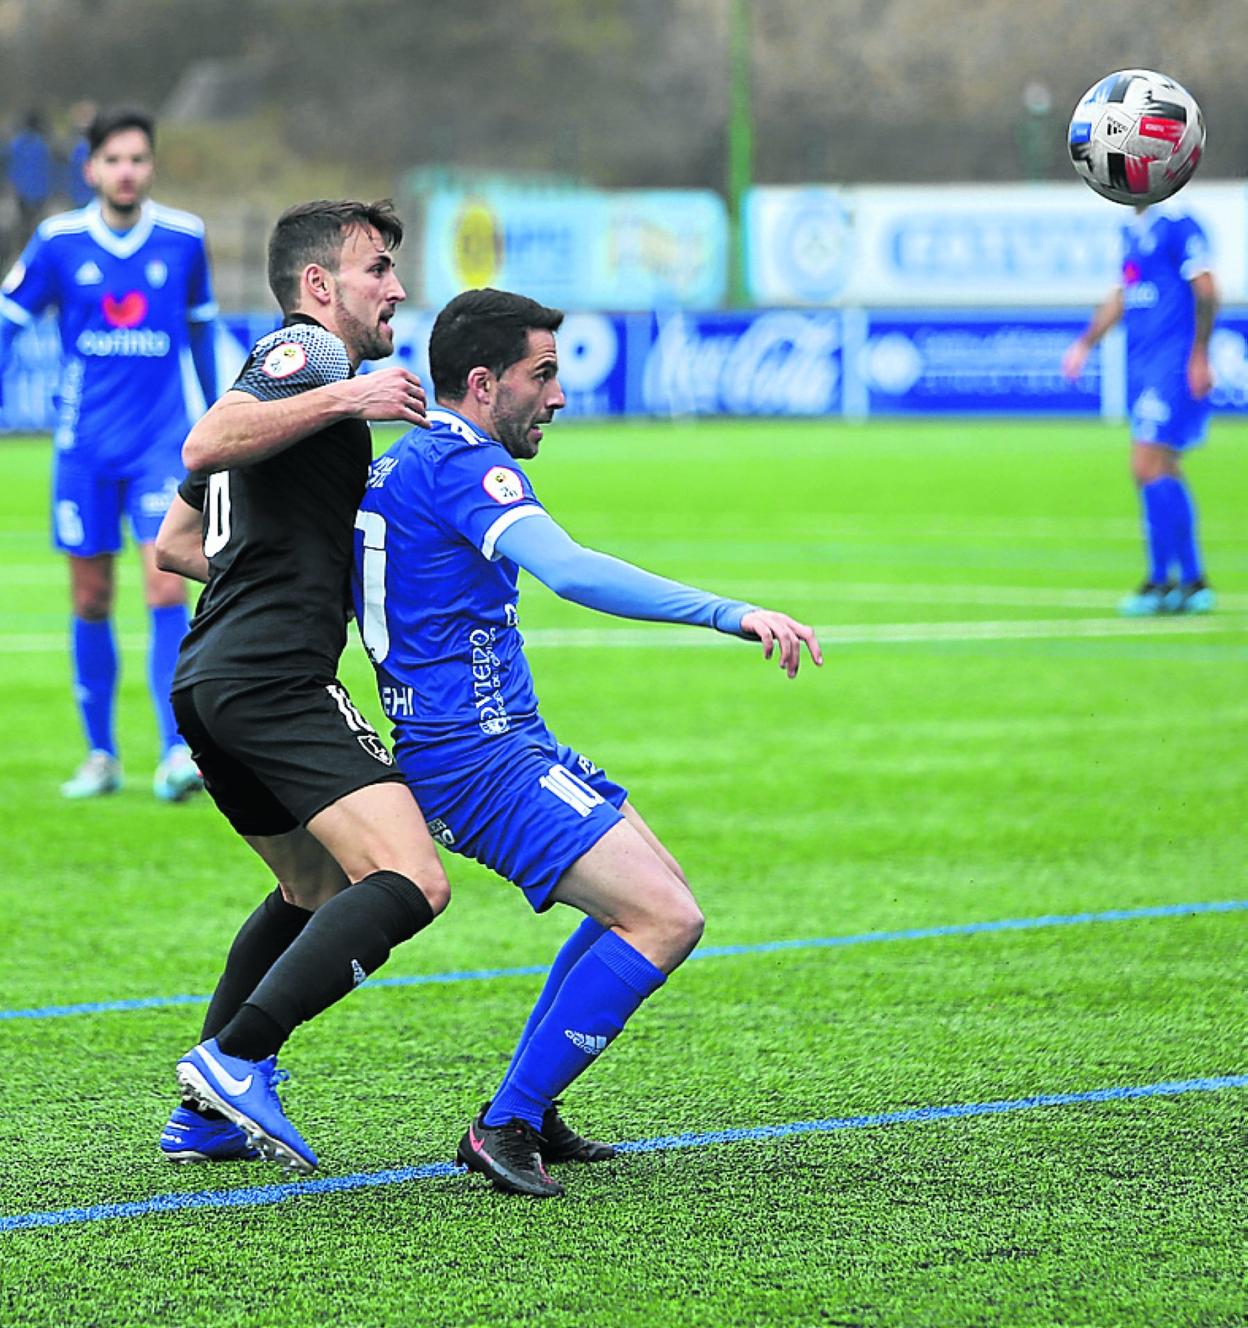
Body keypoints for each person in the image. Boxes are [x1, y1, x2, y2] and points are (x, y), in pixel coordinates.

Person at [351, 287, 823, 1198]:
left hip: (498, 740)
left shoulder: (397, 466)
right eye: (545, 375)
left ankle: (531, 1108)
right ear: (484, 384)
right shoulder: (465, 468)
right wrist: (729, 612)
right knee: (667, 919)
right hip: (476, 756)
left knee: (649, 902)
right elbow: (569, 571)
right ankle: (506, 1123)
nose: (559, 396)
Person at [152, 199, 450, 1175]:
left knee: (310, 885)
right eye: (376, 269)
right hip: (272, 677)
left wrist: (282, 575)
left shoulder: (294, 387)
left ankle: (202, 1114)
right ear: (320, 286)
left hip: (212, 676)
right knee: (408, 877)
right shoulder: (308, 357)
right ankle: (236, 1058)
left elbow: (175, 543)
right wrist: (346, 401)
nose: (396, 287)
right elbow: (205, 442)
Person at [0, 107, 218, 800]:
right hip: (85, 447)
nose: (127, 171)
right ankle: (101, 756)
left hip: (162, 446)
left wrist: (222, 426)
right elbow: (9, 322)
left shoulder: (184, 239)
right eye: (114, 159)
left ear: (151, 167)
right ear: (90, 169)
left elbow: (203, 336)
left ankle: (175, 751)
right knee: (90, 596)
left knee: (165, 583)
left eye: (139, 159)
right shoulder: (58, 242)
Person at [1063, 202, 1219, 616]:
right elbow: (1123, 294)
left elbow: (1206, 289)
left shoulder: (1178, 223)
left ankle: (1161, 581)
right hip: (1143, 362)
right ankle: (1189, 582)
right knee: (1163, 468)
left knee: (1145, 465)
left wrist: (1200, 354)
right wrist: (1085, 343)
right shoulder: (1131, 230)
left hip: (1173, 362)